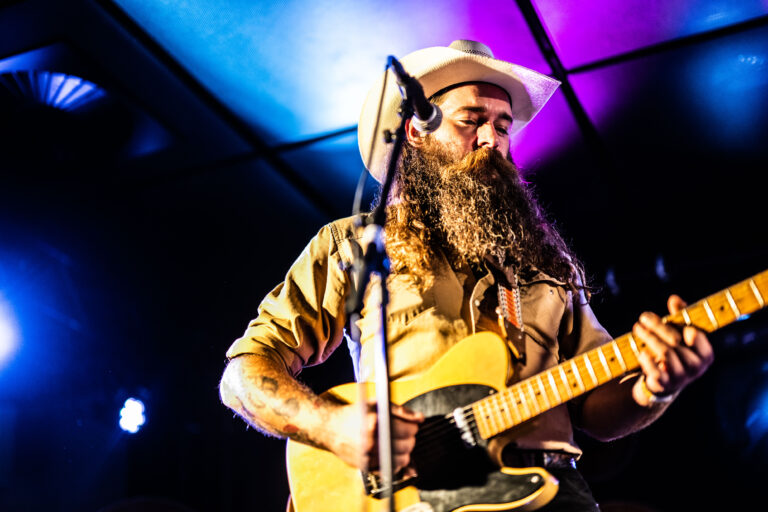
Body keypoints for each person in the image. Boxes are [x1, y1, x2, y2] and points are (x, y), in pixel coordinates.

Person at [218, 40, 713, 511]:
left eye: (502, 127)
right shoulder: (355, 245)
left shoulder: (549, 263)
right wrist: (328, 426)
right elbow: (243, 373)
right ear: (415, 132)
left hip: (548, 490)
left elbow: (598, 408)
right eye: (471, 121)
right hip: (411, 497)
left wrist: (653, 388)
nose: (490, 140)